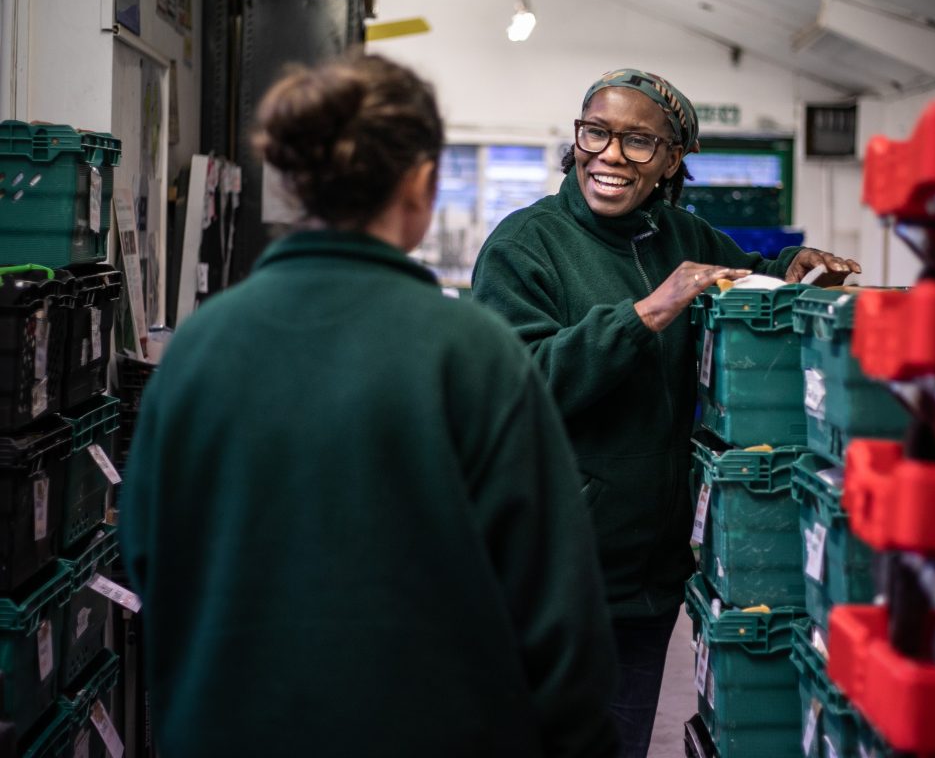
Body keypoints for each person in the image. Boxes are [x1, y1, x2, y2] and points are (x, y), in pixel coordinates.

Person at [118, 53, 620, 758]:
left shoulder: (199, 348)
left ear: (292, 183)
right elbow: (556, 614)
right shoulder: (472, 351)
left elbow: (148, 558)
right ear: (419, 183)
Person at [472, 67, 861, 757]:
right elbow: (513, 387)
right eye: (595, 132)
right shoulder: (525, 245)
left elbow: (749, 276)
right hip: (550, 578)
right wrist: (646, 313)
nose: (610, 155)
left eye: (638, 142)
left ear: (673, 159)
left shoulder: (684, 235)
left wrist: (795, 266)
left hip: (648, 583)